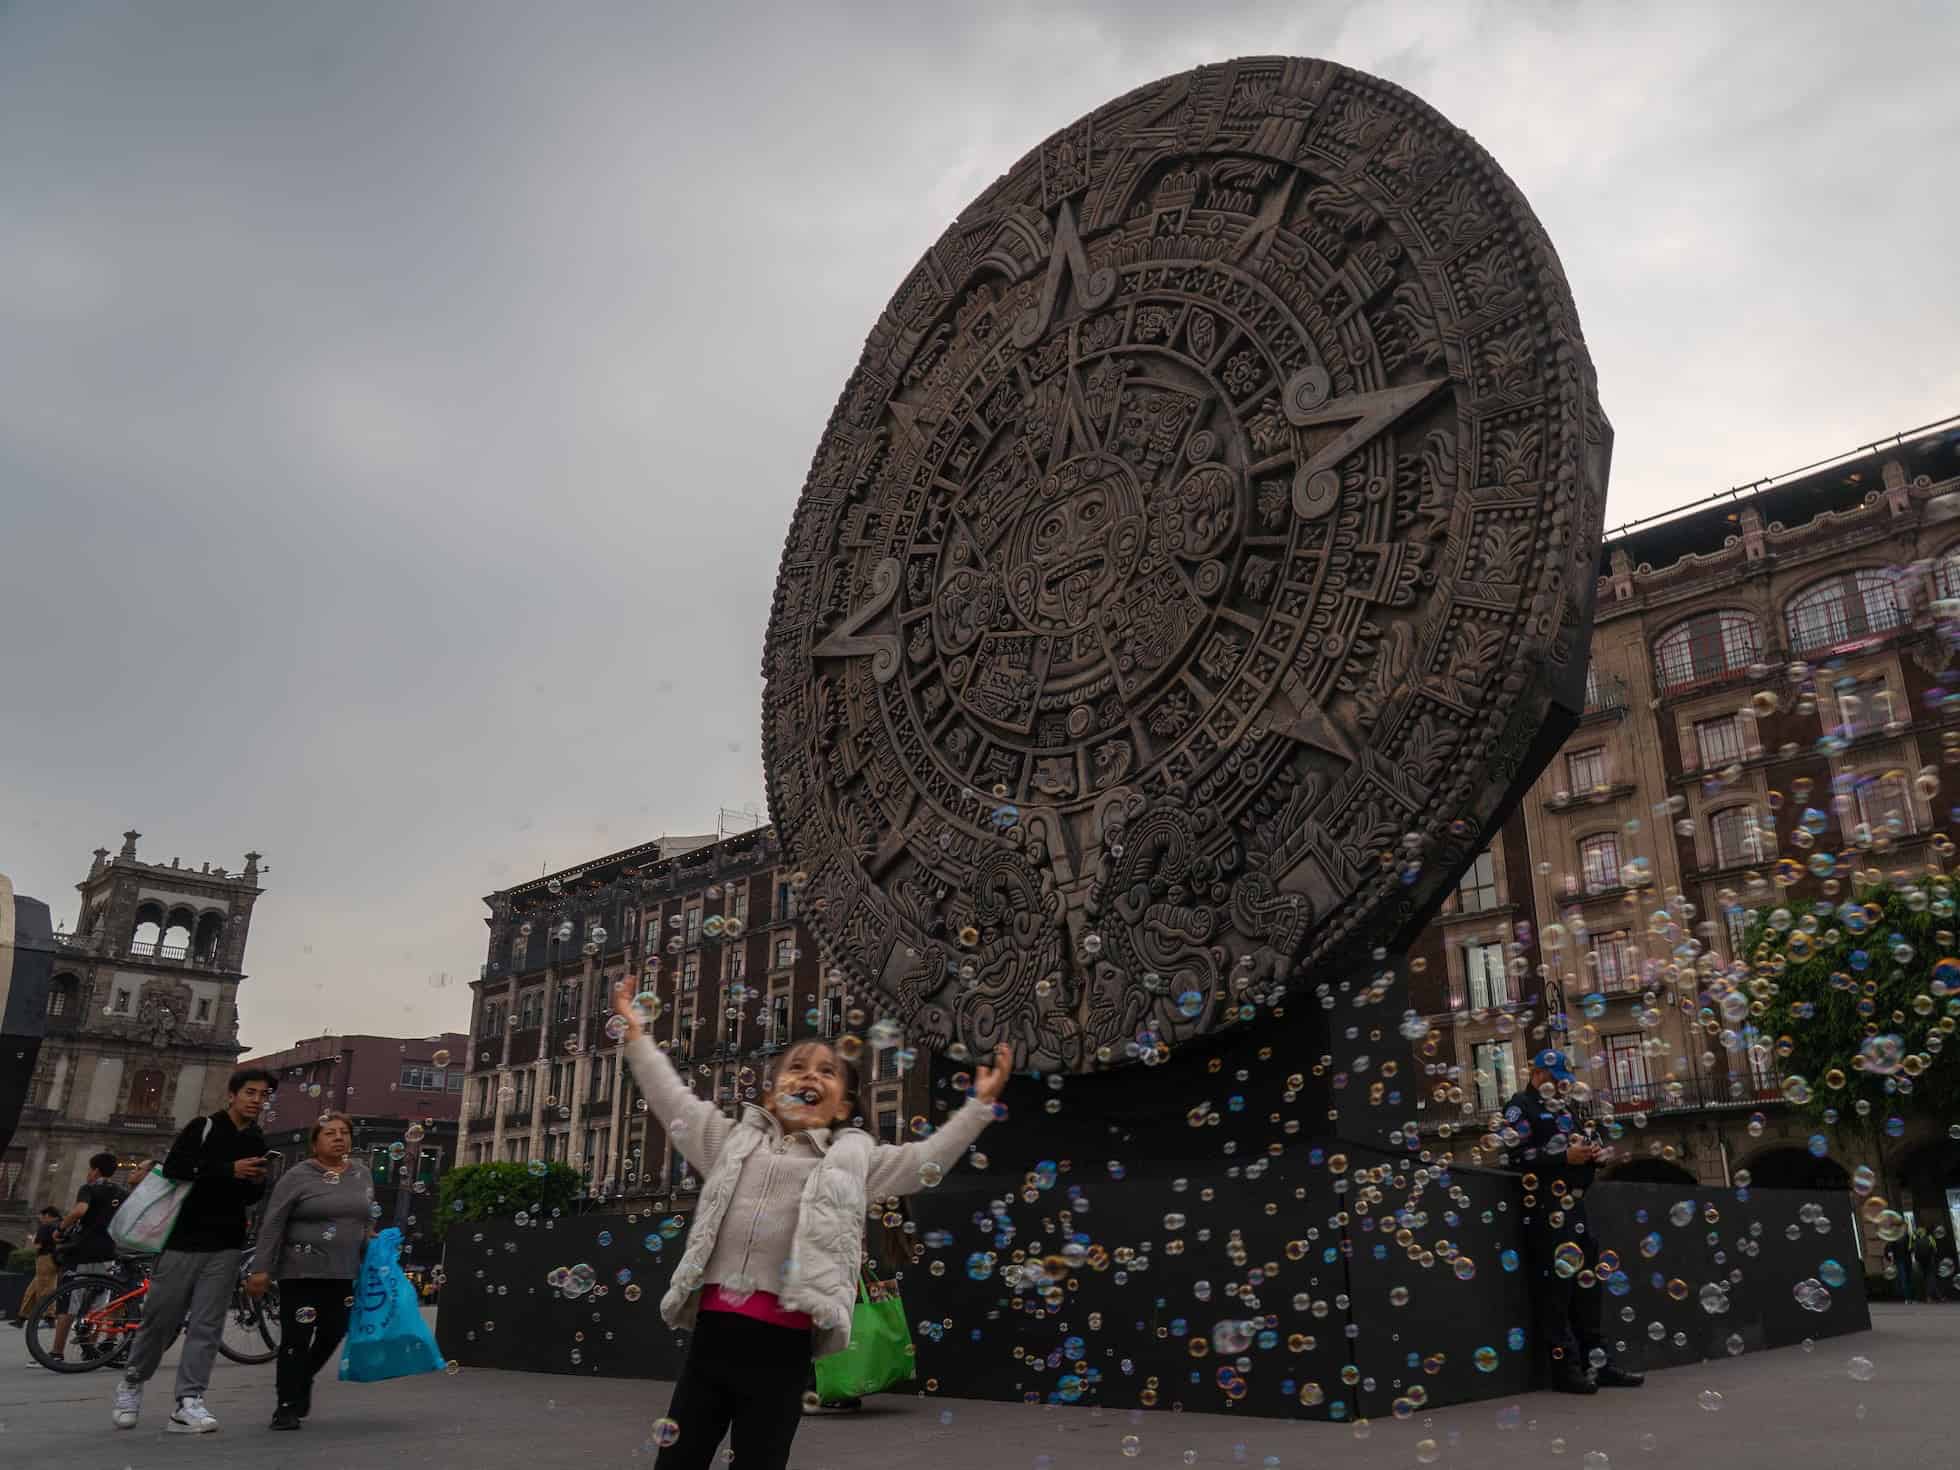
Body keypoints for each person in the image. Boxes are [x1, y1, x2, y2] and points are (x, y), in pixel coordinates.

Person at [614, 982, 1008, 1470]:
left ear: (842, 1106)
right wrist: (636, 1035)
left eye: (826, 1071)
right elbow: (673, 1099)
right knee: (677, 1460)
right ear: (771, 1094)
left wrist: (978, 1108)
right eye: (797, 1067)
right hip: (712, 1339)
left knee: (760, 1462)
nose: (810, 1075)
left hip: (784, 1349)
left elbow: (923, 1162)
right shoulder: (730, 1144)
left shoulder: (852, 1161)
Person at [111, 1067, 276, 1434]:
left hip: (227, 1243)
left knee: (208, 1325)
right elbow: (175, 1168)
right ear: (232, 1094)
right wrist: (229, 1169)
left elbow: (249, 1196)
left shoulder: (257, 1139)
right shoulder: (203, 1127)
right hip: (183, 1240)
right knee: (160, 1320)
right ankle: (133, 1381)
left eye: (264, 1095)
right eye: (250, 1092)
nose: (257, 1100)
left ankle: (189, 1400)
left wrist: (257, 1181)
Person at [1504, 1049, 1645, 1395]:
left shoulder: (1565, 1110)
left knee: (1588, 1289)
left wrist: (1595, 1155)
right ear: (1537, 1074)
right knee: (1557, 1292)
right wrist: (1564, 1156)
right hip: (1545, 1209)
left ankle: (1599, 1364)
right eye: (1556, 1079)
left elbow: (1583, 1146)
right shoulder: (1520, 1107)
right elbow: (1515, 1156)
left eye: (1565, 1080)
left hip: (1574, 1206)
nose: (1562, 1085)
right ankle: (1565, 1371)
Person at [246, 1110, 373, 1430]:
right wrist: (261, 1268)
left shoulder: (361, 1174)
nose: (339, 1138)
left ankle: (302, 1378)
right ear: (314, 1143)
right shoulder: (298, 1176)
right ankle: (286, 1407)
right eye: (330, 1133)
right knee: (297, 1338)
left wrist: (373, 1247)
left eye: (344, 1132)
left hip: (344, 1271)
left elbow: (365, 1218)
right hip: (300, 1272)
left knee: (334, 1331)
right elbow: (273, 1222)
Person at [48, 1152, 129, 1361]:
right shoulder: (123, 1193)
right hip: (108, 1252)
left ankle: (57, 1352)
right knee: (99, 1304)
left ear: (95, 1171)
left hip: (82, 1251)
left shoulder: (89, 1188)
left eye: (89, 1169)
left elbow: (79, 1211)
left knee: (69, 1302)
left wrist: (60, 1228)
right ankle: (89, 1351)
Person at [12, 1205, 62, 1329]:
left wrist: (32, 1239)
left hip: (45, 1259)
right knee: (33, 1289)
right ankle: (21, 1317)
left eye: (42, 1217)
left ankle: (49, 1317)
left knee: (45, 1288)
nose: (41, 1220)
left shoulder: (46, 1226)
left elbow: (38, 1245)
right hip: (56, 1260)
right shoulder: (61, 1226)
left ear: (47, 1215)